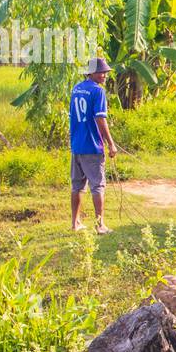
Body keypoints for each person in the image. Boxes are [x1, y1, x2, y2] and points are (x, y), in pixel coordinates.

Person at [70, 57, 119, 234]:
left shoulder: (76, 89)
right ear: (91, 72)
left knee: (77, 186)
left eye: (105, 72)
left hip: (77, 145)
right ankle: (100, 225)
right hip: (92, 146)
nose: (104, 75)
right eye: (101, 72)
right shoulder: (98, 91)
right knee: (97, 186)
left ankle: (75, 223)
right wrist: (111, 143)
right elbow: (100, 118)